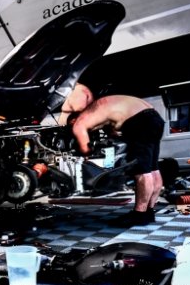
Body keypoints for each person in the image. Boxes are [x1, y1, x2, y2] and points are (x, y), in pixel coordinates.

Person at [59, 83, 165, 227]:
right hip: (154, 117)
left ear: (73, 120)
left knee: (141, 171)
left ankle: (139, 214)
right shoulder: (98, 111)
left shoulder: (79, 123)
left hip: (140, 121)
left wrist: (85, 153)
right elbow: (114, 134)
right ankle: (149, 212)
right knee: (153, 169)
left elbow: (85, 150)